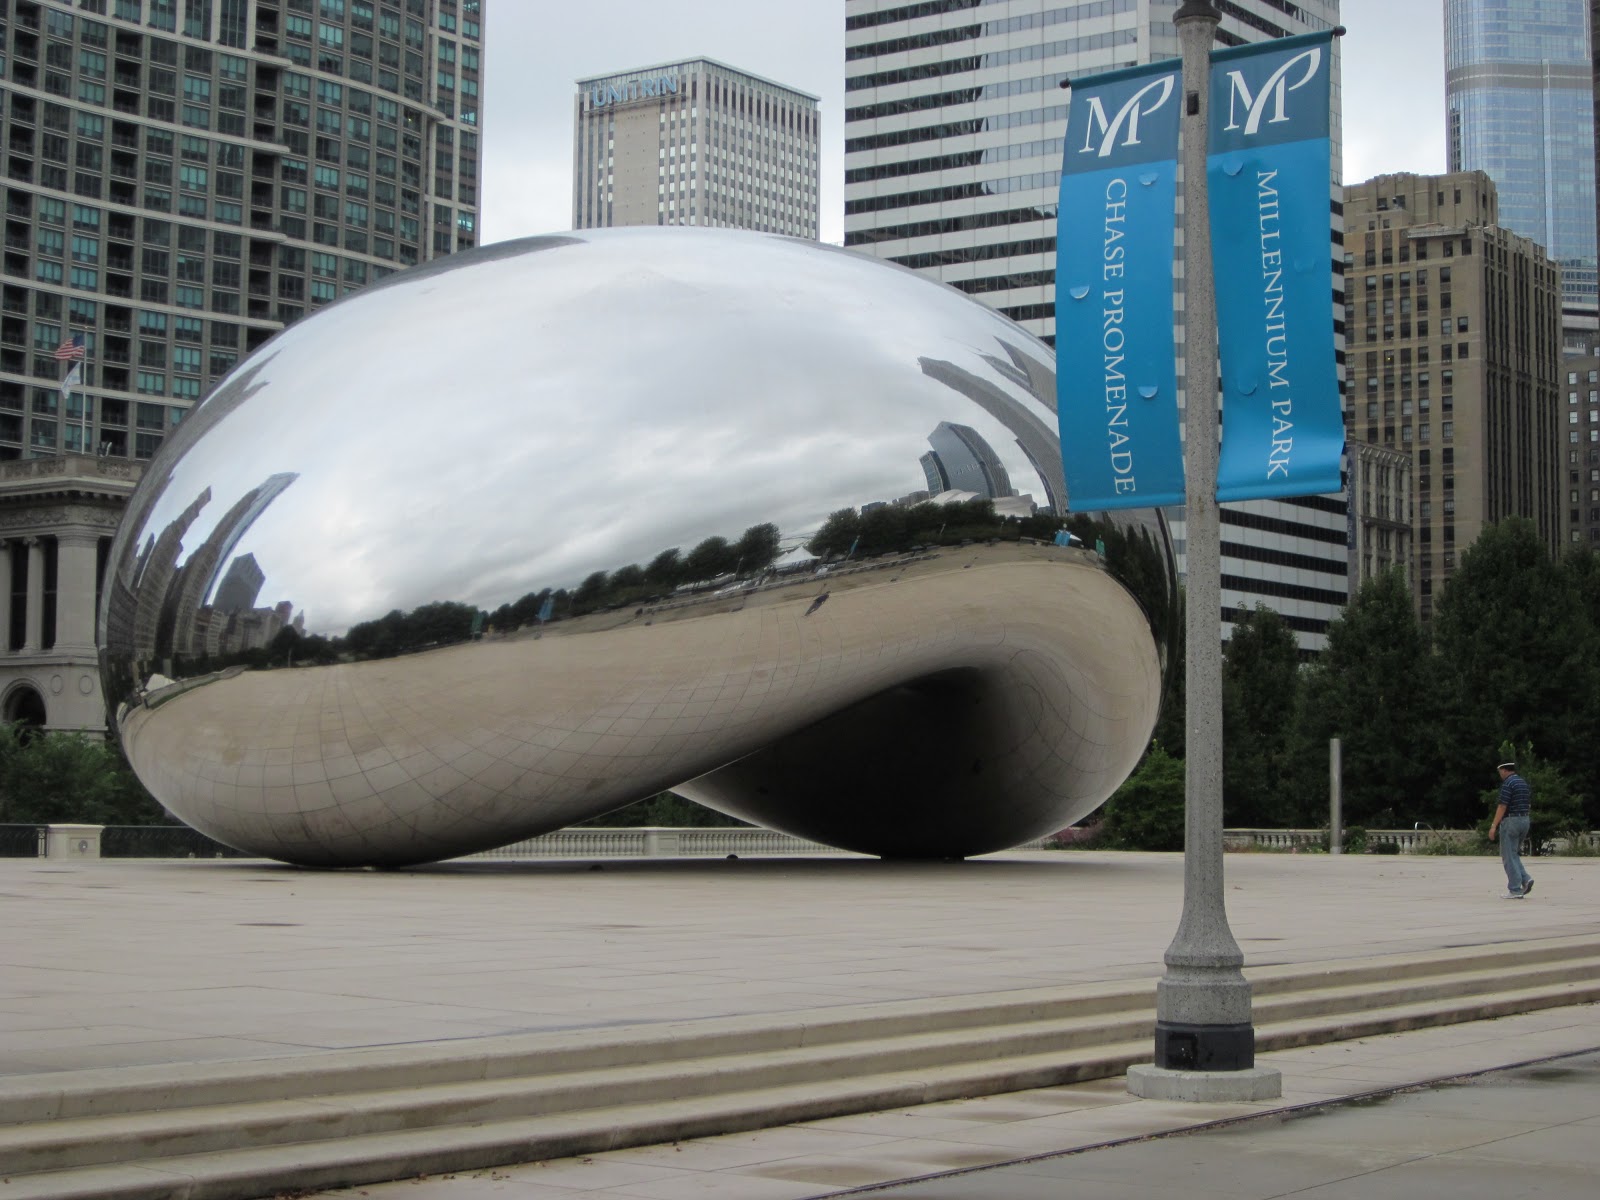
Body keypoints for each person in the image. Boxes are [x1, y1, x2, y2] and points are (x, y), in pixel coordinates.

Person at [1488, 761, 1533, 899]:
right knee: (1513, 853)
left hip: (1511, 821)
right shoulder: (1522, 782)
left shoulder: (1508, 784)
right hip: (1525, 819)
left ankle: (1515, 889)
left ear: (1503, 770)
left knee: (1507, 855)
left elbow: (1502, 806)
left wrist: (1493, 826)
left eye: (1500, 771)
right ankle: (1525, 879)